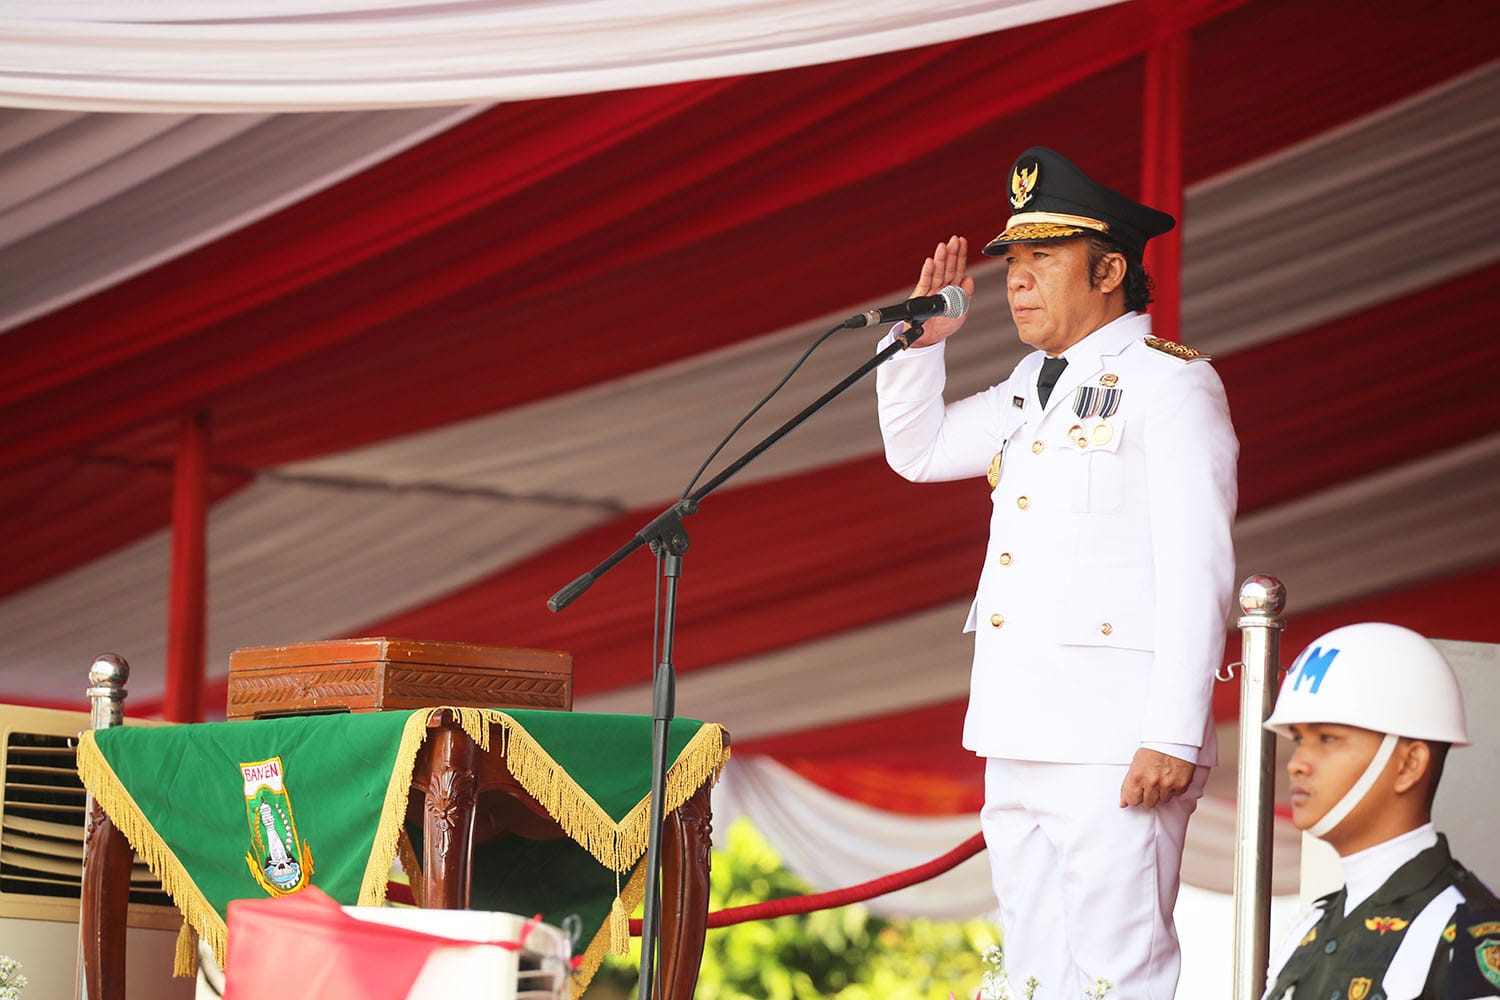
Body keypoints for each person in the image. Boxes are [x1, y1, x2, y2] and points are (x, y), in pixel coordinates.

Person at [875, 146, 1238, 997]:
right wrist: (920, 347)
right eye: (1014, 261)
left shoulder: (1170, 387)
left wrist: (1174, 732)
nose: (1019, 279)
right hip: (1017, 728)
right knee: (1033, 975)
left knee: (1121, 975)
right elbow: (919, 453)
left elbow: (1200, 569)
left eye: (1046, 257)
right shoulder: (1027, 387)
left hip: (1117, 740)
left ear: (1110, 269)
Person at [1261, 622, 1500, 1000]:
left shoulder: (1467, 934)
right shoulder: (1310, 927)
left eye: (1327, 739)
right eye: (1299, 739)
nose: (1297, 763)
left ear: (1408, 765)